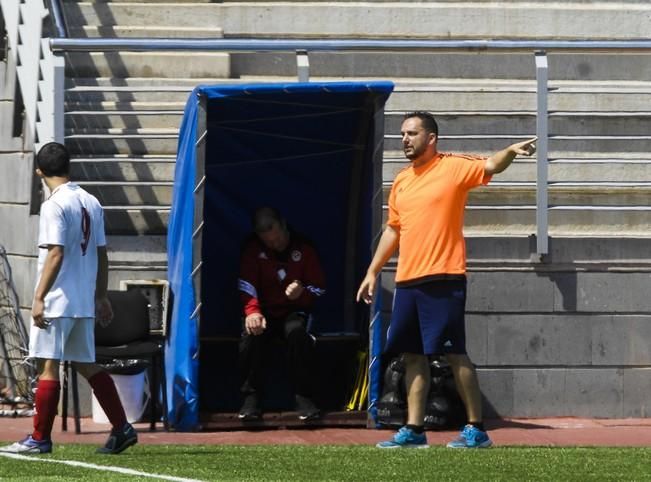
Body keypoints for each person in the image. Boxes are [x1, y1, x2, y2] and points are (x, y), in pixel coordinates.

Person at [357, 112, 536, 449]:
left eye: (412, 133)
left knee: (454, 355)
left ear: (431, 137)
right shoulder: (401, 180)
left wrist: (510, 151)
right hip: (408, 280)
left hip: (444, 276)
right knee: (412, 356)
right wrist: (372, 270)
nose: (405, 139)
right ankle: (414, 429)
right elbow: (394, 229)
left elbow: (490, 166)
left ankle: (476, 429)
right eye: (402, 134)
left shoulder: (452, 166)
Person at [0, 142, 137, 455]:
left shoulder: (54, 205)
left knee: (48, 367)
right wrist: (101, 295)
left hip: (59, 300)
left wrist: (38, 298)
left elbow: (56, 253)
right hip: (82, 301)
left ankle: (39, 438)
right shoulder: (91, 200)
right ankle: (122, 427)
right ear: (69, 167)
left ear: (39, 171)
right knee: (85, 364)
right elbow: (102, 254)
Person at [238, 207, 326, 421]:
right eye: (266, 238)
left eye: (275, 234)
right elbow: (246, 284)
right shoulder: (252, 249)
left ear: (283, 224)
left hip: (293, 311)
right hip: (264, 312)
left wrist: (301, 293)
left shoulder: (304, 249)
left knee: (298, 334)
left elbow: (319, 289)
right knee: (251, 334)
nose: (273, 242)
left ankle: (304, 397)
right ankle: (251, 399)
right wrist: (253, 312)